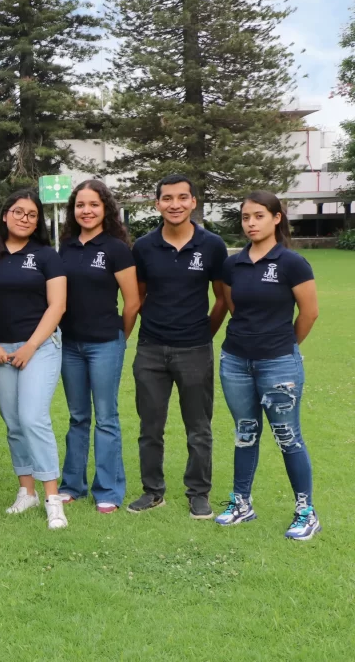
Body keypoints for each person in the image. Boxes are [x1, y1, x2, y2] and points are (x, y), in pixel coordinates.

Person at [215, 191, 320, 540]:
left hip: (278, 364)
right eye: (246, 217)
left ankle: (306, 511)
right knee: (245, 434)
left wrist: (283, 347)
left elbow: (309, 313)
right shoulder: (233, 264)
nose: (251, 223)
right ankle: (241, 504)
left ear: (277, 218)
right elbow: (233, 307)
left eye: (258, 216)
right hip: (235, 361)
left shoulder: (292, 263)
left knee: (288, 437)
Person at [129, 174, 228, 519]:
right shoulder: (143, 247)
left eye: (182, 197)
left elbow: (222, 300)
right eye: (167, 198)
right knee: (149, 427)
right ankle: (152, 491)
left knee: (199, 428)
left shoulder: (212, 245)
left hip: (195, 351)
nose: (175, 204)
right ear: (157, 204)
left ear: (193, 202)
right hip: (151, 350)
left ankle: (198, 493)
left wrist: (203, 334)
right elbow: (137, 297)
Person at [0, 190, 69, 530]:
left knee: (33, 418)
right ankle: (25, 491)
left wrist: (30, 347)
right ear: (5, 215)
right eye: (18, 212)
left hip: (39, 347)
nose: (25, 218)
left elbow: (57, 306)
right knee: (14, 422)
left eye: (32, 214)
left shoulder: (46, 255)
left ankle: (53, 499)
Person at [56, 181, 140, 513]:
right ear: (73, 210)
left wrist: (121, 338)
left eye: (93, 204)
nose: (86, 211)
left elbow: (132, 302)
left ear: (105, 208)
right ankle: (71, 485)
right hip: (69, 344)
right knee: (77, 417)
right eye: (80, 205)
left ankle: (107, 490)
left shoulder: (116, 248)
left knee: (106, 418)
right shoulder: (65, 247)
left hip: (105, 343)